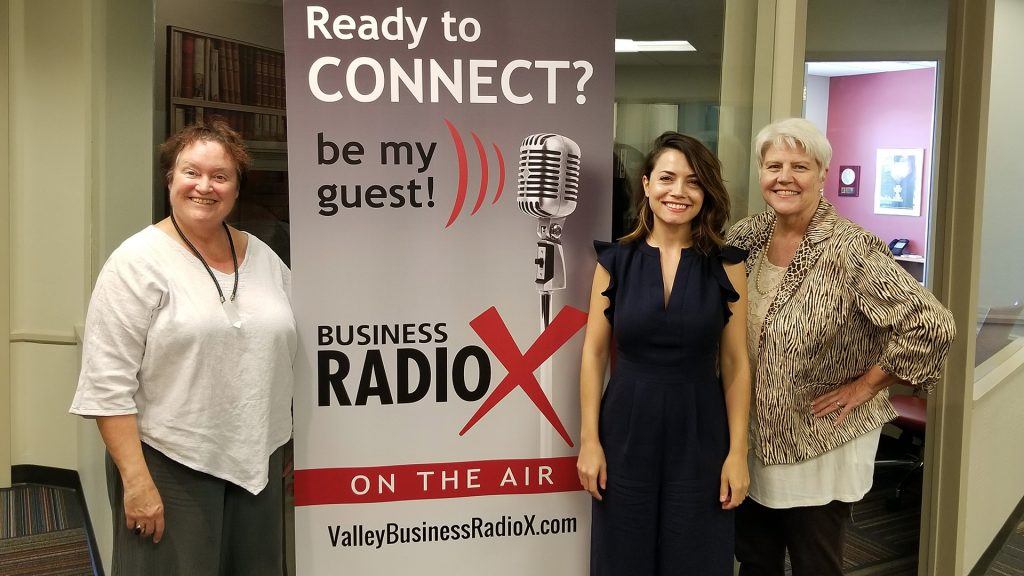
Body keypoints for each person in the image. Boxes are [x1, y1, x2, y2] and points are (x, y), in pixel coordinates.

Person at [726, 117, 955, 576]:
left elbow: (931, 324)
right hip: (749, 432)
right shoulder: (743, 238)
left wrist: (867, 386)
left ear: (823, 174)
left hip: (818, 435)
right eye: (774, 165)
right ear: (760, 172)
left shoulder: (851, 249)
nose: (785, 177)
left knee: (816, 562)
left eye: (800, 166)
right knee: (755, 559)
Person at [69, 119, 296, 575]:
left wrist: (287, 437)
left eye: (220, 176)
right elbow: (106, 384)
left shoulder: (266, 259)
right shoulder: (136, 263)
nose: (204, 187)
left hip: (258, 463)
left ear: (235, 188)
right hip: (170, 464)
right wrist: (136, 482)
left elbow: (286, 354)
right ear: (170, 178)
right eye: (191, 172)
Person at [577, 132, 751, 575]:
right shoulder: (614, 261)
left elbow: (734, 364)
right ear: (648, 184)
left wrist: (737, 453)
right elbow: (595, 355)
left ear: (706, 193)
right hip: (626, 430)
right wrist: (590, 441)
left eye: (693, 182)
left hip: (700, 431)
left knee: (696, 557)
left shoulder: (727, 265)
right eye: (668, 178)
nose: (679, 192)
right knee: (623, 557)